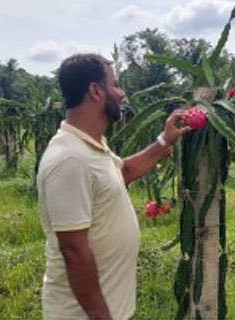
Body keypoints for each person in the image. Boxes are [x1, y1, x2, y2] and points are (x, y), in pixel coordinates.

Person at [36, 53, 191, 319]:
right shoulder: (70, 160)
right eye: (116, 85)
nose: (121, 94)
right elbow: (73, 251)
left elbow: (124, 171)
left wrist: (164, 140)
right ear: (96, 91)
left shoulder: (90, 146)